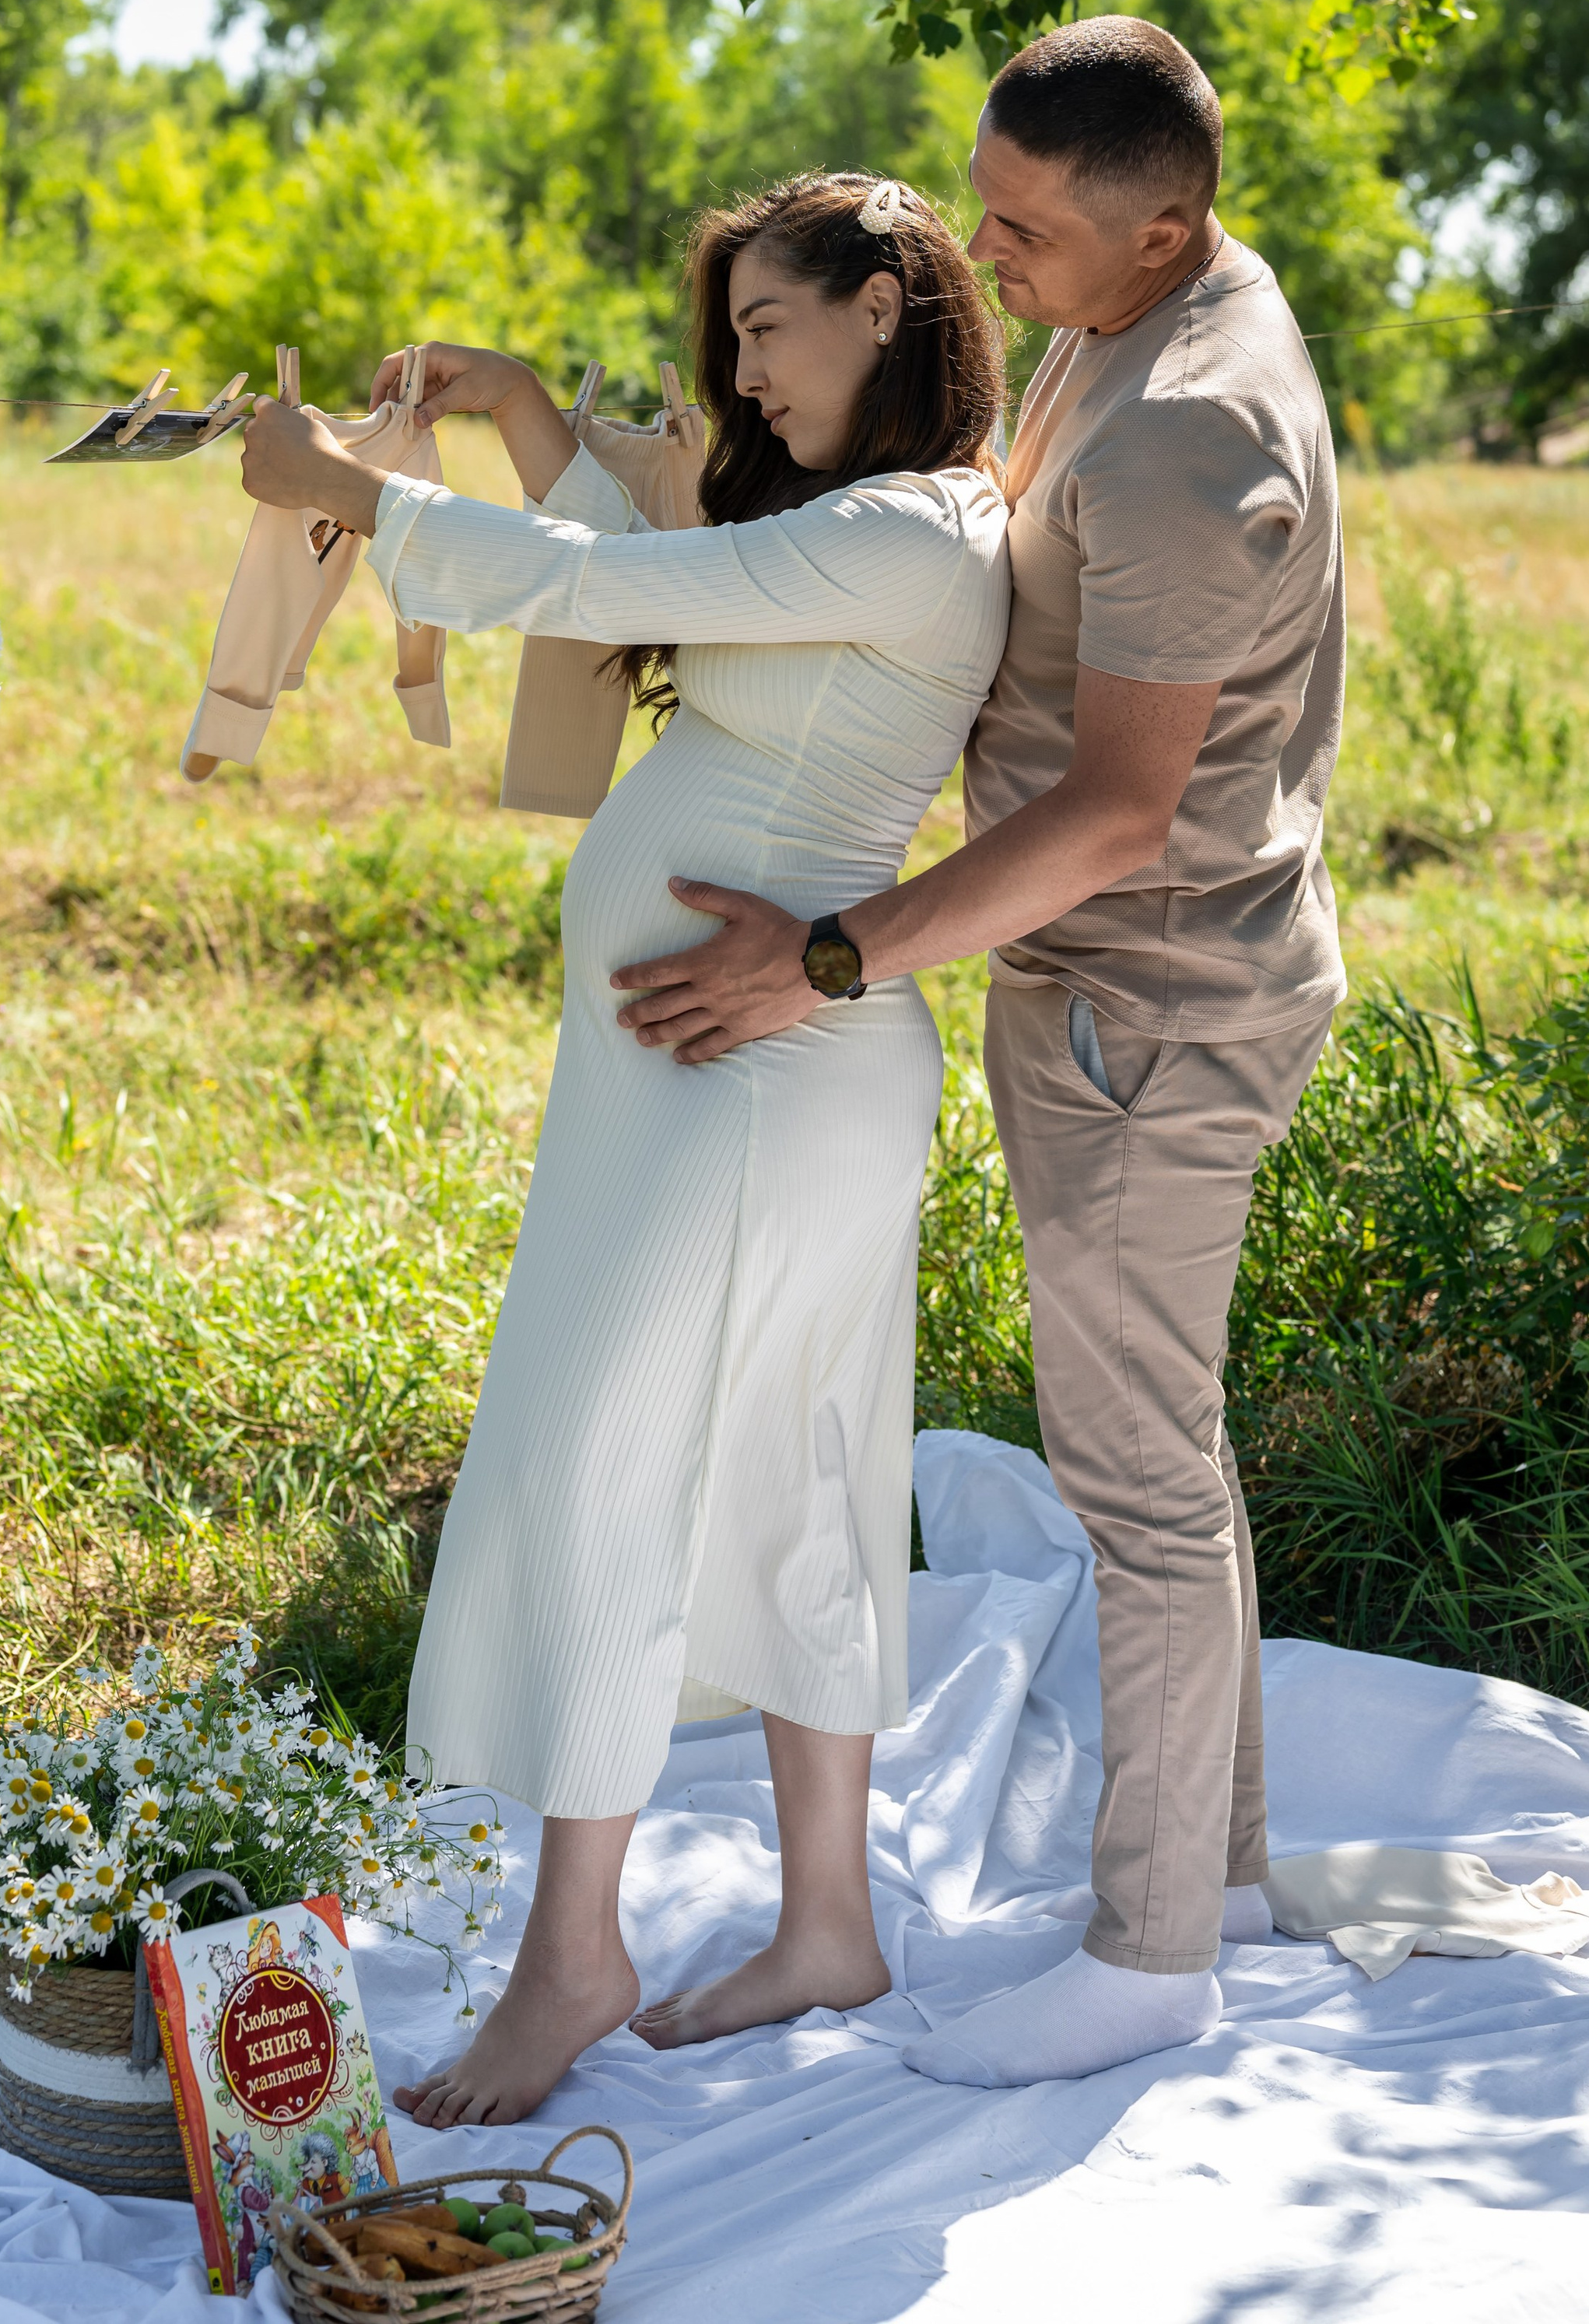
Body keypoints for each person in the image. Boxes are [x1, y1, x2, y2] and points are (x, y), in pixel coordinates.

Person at [607, 19, 1345, 2088]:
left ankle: (1148, 1955)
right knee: (1160, 1449)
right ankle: (1235, 1880)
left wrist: (826, 959)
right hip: (1132, 979)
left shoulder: (1191, 435)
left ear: (1162, 223)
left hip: (1155, 1005)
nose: (983, 262)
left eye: (1019, 231)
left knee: (1134, 1473)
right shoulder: (1168, 300)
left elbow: (1118, 811)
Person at [238, 171, 1012, 2125]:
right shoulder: (855, 531)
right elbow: (653, 575)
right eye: (728, 336)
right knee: (793, 1459)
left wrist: (341, 491)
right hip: (732, 1071)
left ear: (886, 304)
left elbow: (601, 590)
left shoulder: (912, 536)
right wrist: (508, 407)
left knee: (611, 1465)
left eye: (765, 324)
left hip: (752, 1079)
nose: (738, 372)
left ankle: (572, 1951)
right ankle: (823, 1920)